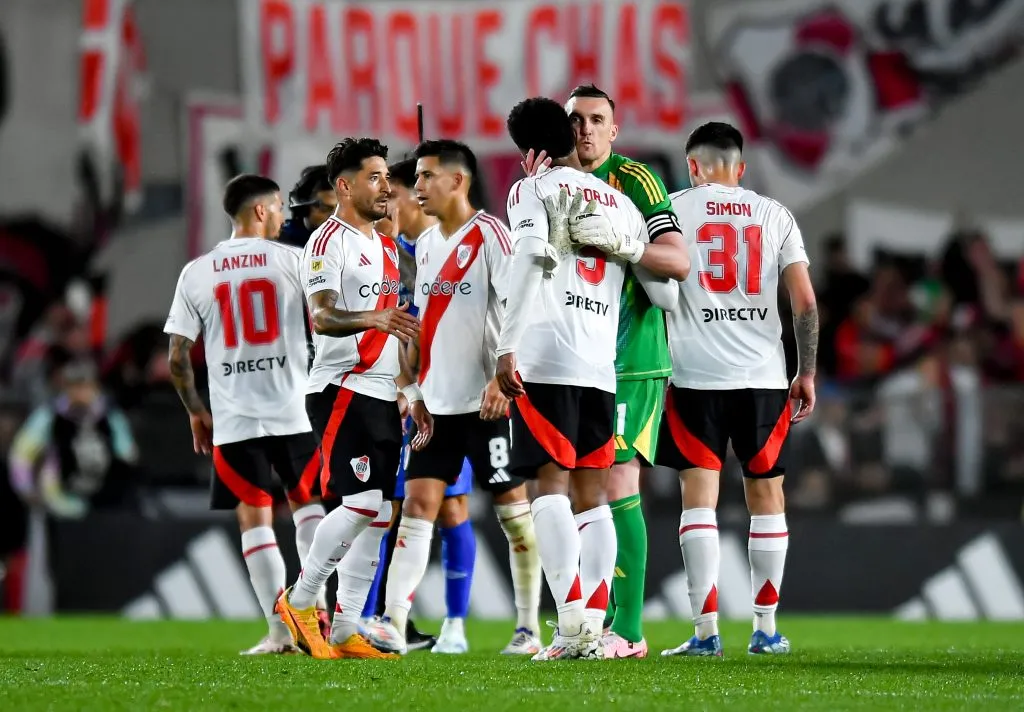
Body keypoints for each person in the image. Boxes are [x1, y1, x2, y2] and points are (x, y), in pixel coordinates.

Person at [497, 97, 678, 661]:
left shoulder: (535, 189)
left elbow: (529, 258)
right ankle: (596, 623)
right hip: (603, 368)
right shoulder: (622, 204)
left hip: (547, 359)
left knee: (548, 488)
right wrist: (624, 249)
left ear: (529, 150)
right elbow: (667, 291)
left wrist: (505, 347)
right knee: (594, 498)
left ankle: (571, 621)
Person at [365, 140, 542, 656]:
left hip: (488, 406)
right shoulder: (429, 247)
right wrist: (414, 391)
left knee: (513, 513)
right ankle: (394, 624)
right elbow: (417, 329)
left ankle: (529, 627)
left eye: (425, 176)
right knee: (417, 507)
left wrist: (500, 378)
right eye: (415, 178)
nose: (415, 187)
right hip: (436, 409)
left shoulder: (491, 235)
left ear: (458, 181)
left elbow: (522, 310)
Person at [657, 122, 818, 657]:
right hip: (764, 381)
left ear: (692, 164)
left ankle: (705, 634)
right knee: (767, 497)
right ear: (740, 168)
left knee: (698, 500)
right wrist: (807, 372)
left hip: (693, 377)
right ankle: (766, 629)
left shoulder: (671, 209)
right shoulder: (775, 215)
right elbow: (805, 303)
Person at [275, 138, 432, 660]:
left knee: (383, 511)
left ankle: (345, 627)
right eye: (374, 177)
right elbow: (321, 316)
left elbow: (398, 330)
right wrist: (373, 318)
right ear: (344, 186)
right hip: (342, 387)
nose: (386, 186)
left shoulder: (386, 246)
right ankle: (299, 602)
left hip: (384, 392)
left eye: (388, 177)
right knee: (361, 502)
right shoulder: (328, 243)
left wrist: (410, 392)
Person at [163, 174, 326, 655]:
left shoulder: (198, 271)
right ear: (260, 211)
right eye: (277, 208)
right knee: (310, 511)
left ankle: (278, 634)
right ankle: (312, 615)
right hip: (295, 412)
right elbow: (325, 324)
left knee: (253, 521)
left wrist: (196, 411)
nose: (281, 216)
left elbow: (177, 357)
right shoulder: (294, 262)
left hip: (234, 421)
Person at [279, 165, 337, 249]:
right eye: (325, 208)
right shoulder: (278, 245)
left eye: (342, 209)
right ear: (302, 209)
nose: (335, 217)